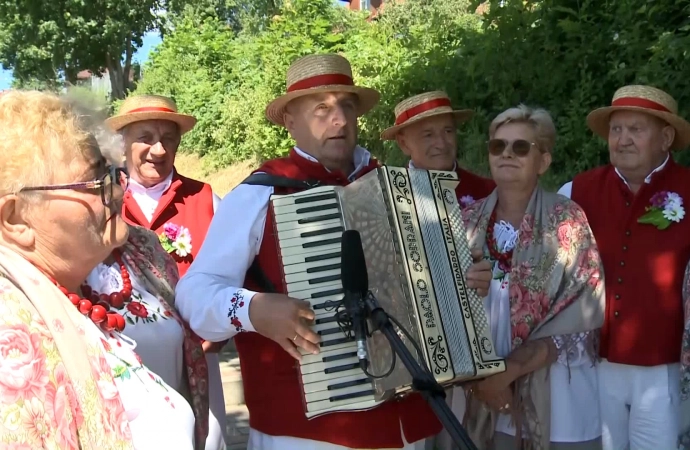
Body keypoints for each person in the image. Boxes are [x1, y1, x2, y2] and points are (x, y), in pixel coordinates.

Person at [176, 53, 493, 450]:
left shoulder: (395, 186)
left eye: (346, 106)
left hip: (405, 426)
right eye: (321, 109)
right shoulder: (259, 194)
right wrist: (254, 309)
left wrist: (464, 281)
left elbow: (428, 289)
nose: (339, 120)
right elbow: (193, 294)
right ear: (291, 121)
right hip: (304, 432)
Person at [0, 89, 197, 448]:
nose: (119, 193)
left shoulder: (136, 249)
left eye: (110, 175)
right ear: (15, 220)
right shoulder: (10, 340)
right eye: (94, 183)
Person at [455, 105, 605, 449]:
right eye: (498, 146)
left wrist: (508, 372)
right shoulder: (465, 222)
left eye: (521, 147)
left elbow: (582, 316)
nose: (507, 153)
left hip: (558, 402)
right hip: (482, 396)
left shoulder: (566, 220)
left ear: (544, 161)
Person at [558, 85, 690, 450]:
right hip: (592, 362)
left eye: (636, 129)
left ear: (666, 138)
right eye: (617, 130)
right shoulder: (576, 191)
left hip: (664, 368)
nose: (623, 140)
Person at [105, 94, 227, 450]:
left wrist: (214, 335)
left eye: (168, 138)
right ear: (123, 141)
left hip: (200, 365)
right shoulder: (101, 202)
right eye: (145, 136)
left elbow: (232, 276)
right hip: (124, 370)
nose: (158, 149)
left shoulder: (206, 200)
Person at [381, 91, 495, 206]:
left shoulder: (489, 193)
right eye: (428, 135)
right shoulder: (386, 198)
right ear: (404, 144)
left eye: (448, 131)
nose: (441, 144)